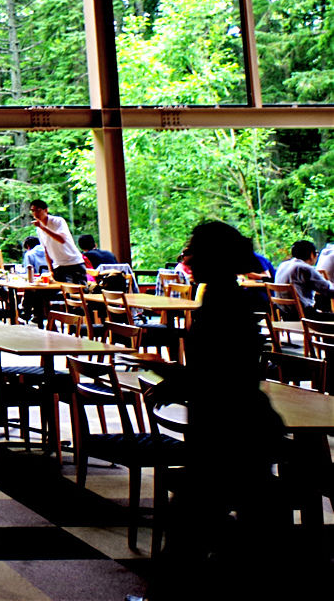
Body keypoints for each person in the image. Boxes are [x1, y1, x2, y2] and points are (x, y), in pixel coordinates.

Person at [149, 221, 287, 597]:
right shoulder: (224, 298)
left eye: (194, 248)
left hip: (230, 428)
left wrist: (177, 379)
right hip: (234, 424)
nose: (188, 255)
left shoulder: (226, 303)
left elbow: (225, 371)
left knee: (193, 522)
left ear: (213, 257)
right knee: (224, 518)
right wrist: (178, 377)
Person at [28, 199, 87, 285]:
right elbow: (46, 249)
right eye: (33, 211)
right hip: (58, 266)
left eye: (38, 210)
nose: (35, 213)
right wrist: (50, 269)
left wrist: (42, 227)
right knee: (62, 295)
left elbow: (62, 239)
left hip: (73, 263)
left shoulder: (57, 221)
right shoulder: (39, 229)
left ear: (46, 210)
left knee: (79, 294)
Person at [274, 240, 334, 318]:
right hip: (304, 316)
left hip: (285, 315)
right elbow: (327, 289)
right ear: (312, 254)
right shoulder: (305, 268)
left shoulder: (283, 265)